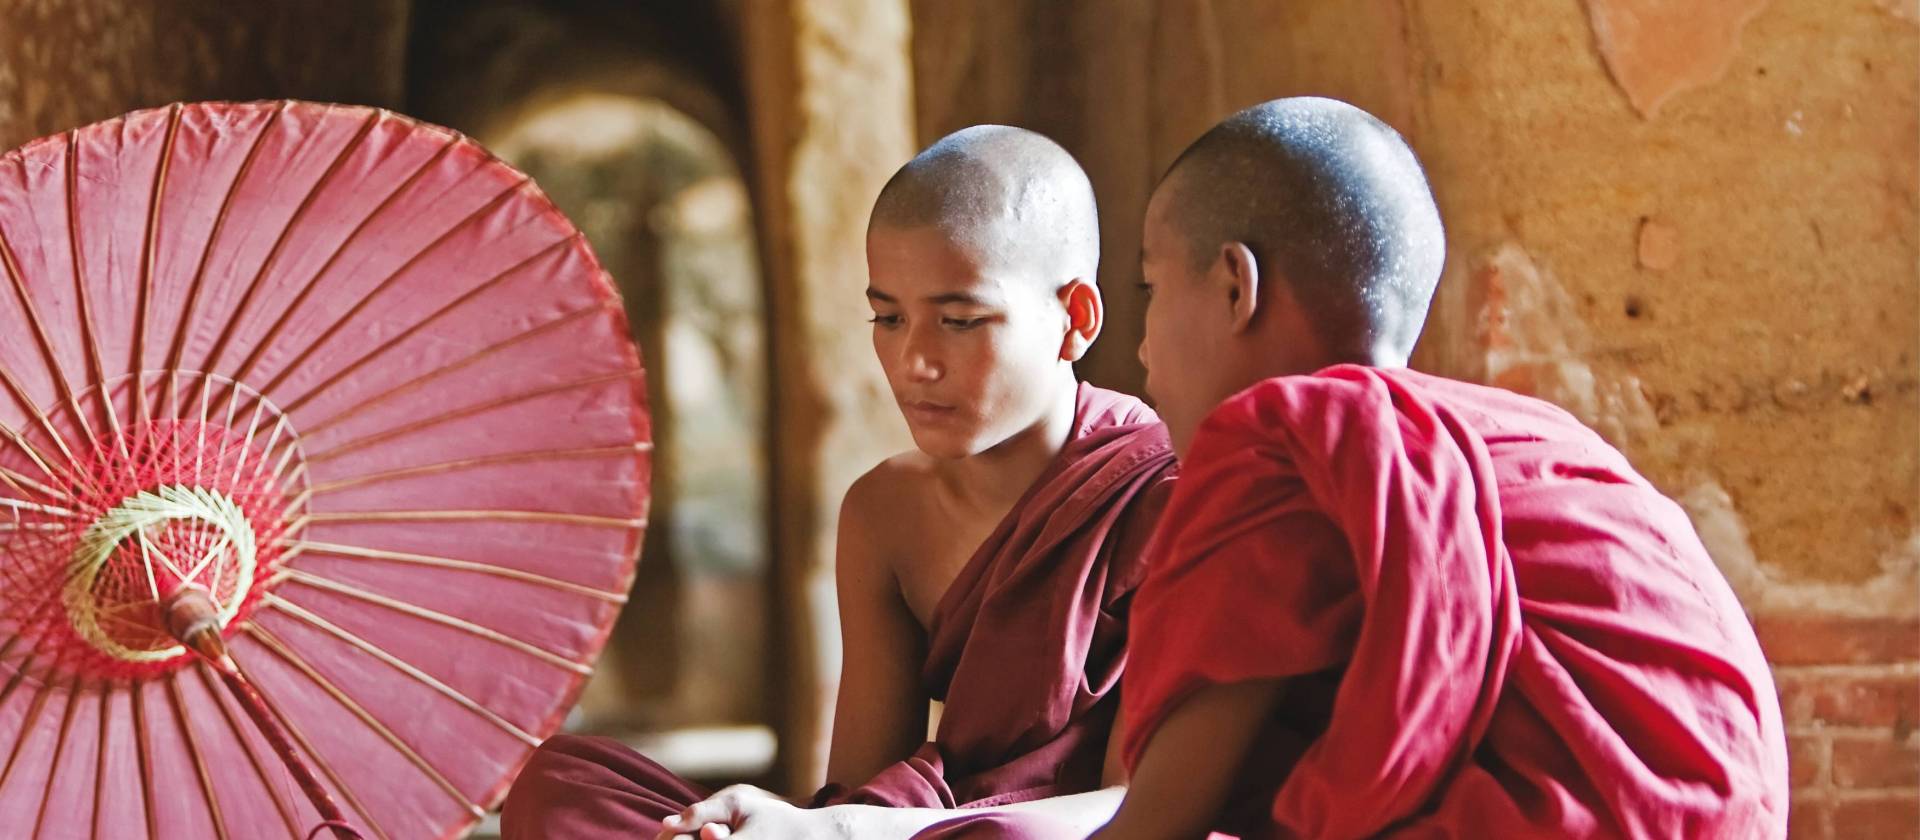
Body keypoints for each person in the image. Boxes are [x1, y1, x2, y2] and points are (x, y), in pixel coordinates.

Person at [1091, 96, 1788, 839]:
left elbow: (1153, 824)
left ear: (1237, 285)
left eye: (1152, 289)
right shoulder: (1543, 439)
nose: (1142, 350)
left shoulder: (1278, 446)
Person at [500, 124, 1177, 840]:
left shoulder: (1162, 495)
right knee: (563, 783)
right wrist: (791, 825)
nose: (914, 360)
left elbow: (1146, 806)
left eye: (959, 319)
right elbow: (860, 789)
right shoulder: (885, 512)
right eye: (887, 317)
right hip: (911, 832)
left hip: (1045, 834)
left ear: (1075, 319)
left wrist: (847, 833)